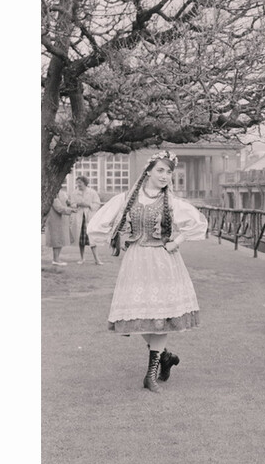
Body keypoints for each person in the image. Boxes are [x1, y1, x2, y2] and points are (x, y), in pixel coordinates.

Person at [86, 150, 208, 393]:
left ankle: (150, 374)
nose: (165, 176)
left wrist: (177, 241)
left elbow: (198, 223)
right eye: (160, 170)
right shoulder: (126, 199)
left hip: (163, 262)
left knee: (160, 318)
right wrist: (117, 236)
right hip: (136, 262)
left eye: (169, 172)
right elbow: (97, 225)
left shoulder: (171, 202)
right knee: (136, 318)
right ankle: (164, 357)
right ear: (148, 171)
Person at [69, 175, 104, 265]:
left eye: (80, 182)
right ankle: (82, 258)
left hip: (89, 217)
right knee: (81, 240)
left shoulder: (92, 192)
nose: (78, 184)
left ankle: (97, 259)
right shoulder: (74, 193)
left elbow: (97, 203)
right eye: (77, 183)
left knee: (92, 238)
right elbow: (72, 204)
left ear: (85, 183)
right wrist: (78, 204)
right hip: (80, 217)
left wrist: (88, 205)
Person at [46, 186, 74, 266]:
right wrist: (70, 210)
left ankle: (57, 258)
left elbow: (64, 202)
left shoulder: (61, 193)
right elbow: (58, 208)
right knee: (56, 240)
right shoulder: (53, 195)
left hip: (61, 220)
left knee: (60, 239)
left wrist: (68, 203)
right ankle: (55, 259)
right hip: (55, 220)